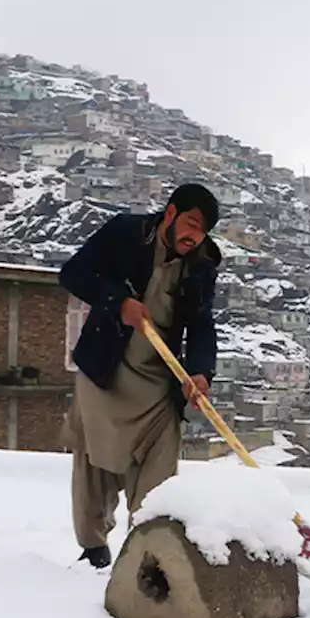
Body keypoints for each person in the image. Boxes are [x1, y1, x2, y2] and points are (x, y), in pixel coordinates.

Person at [58, 183, 222, 569]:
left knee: (159, 477)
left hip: (158, 383)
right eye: (191, 224)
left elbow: (202, 324)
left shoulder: (202, 265)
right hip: (106, 372)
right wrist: (119, 303)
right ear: (170, 213)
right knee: (94, 465)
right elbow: (74, 274)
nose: (194, 236)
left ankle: (146, 560)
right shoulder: (126, 234)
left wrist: (200, 372)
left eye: (203, 231)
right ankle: (93, 552)